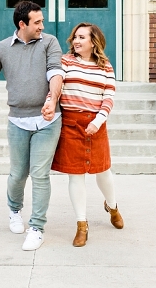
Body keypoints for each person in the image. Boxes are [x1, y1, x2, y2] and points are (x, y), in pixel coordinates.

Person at [0, 0, 64, 251]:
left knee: (40, 174)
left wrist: (52, 100)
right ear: (22, 24)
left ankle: (37, 227)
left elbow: (55, 73)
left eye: (42, 21)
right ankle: (14, 210)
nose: (43, 25)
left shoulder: (49, 43)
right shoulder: (2, 49)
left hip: (47, 120)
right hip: (17, 121)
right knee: (18, 173)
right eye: (37, 22)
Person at [51, 22, 123, 247]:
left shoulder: (106, 67)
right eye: (75, 37)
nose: (76, 41)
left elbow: (109, 97)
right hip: (71, 125)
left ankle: (112, 206)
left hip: (96, 124)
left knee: (104, 173)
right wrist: (49, 103)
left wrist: (99, 120)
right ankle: (82, 224)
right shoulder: (65, 61)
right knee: (76, 175)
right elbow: (56, 87)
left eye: (82, 37)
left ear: (94, 42)